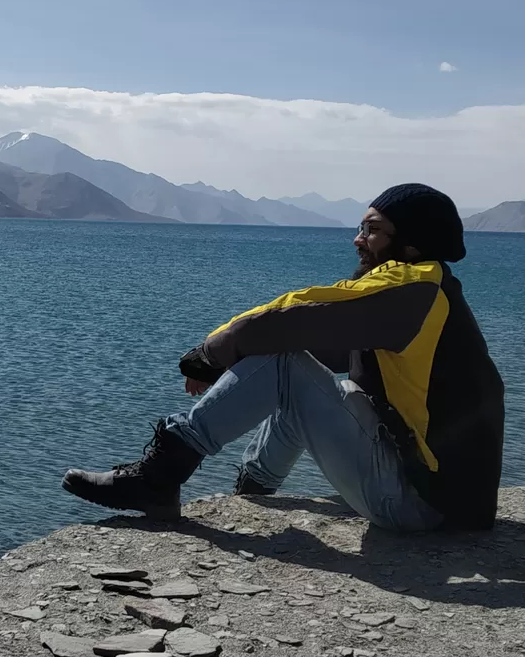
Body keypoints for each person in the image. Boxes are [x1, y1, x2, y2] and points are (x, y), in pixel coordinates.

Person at [63, 183, 505, 531]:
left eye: (371, 229)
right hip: (439, 500)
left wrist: (210, 353)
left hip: (417, 504)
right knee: (298, 366)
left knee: (283, 359)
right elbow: (322, 345)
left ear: (409, 244)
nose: (358, 239)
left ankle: (159, 478)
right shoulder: (429, 292)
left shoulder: (412, 286)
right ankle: (254, 491)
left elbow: (293, 315)